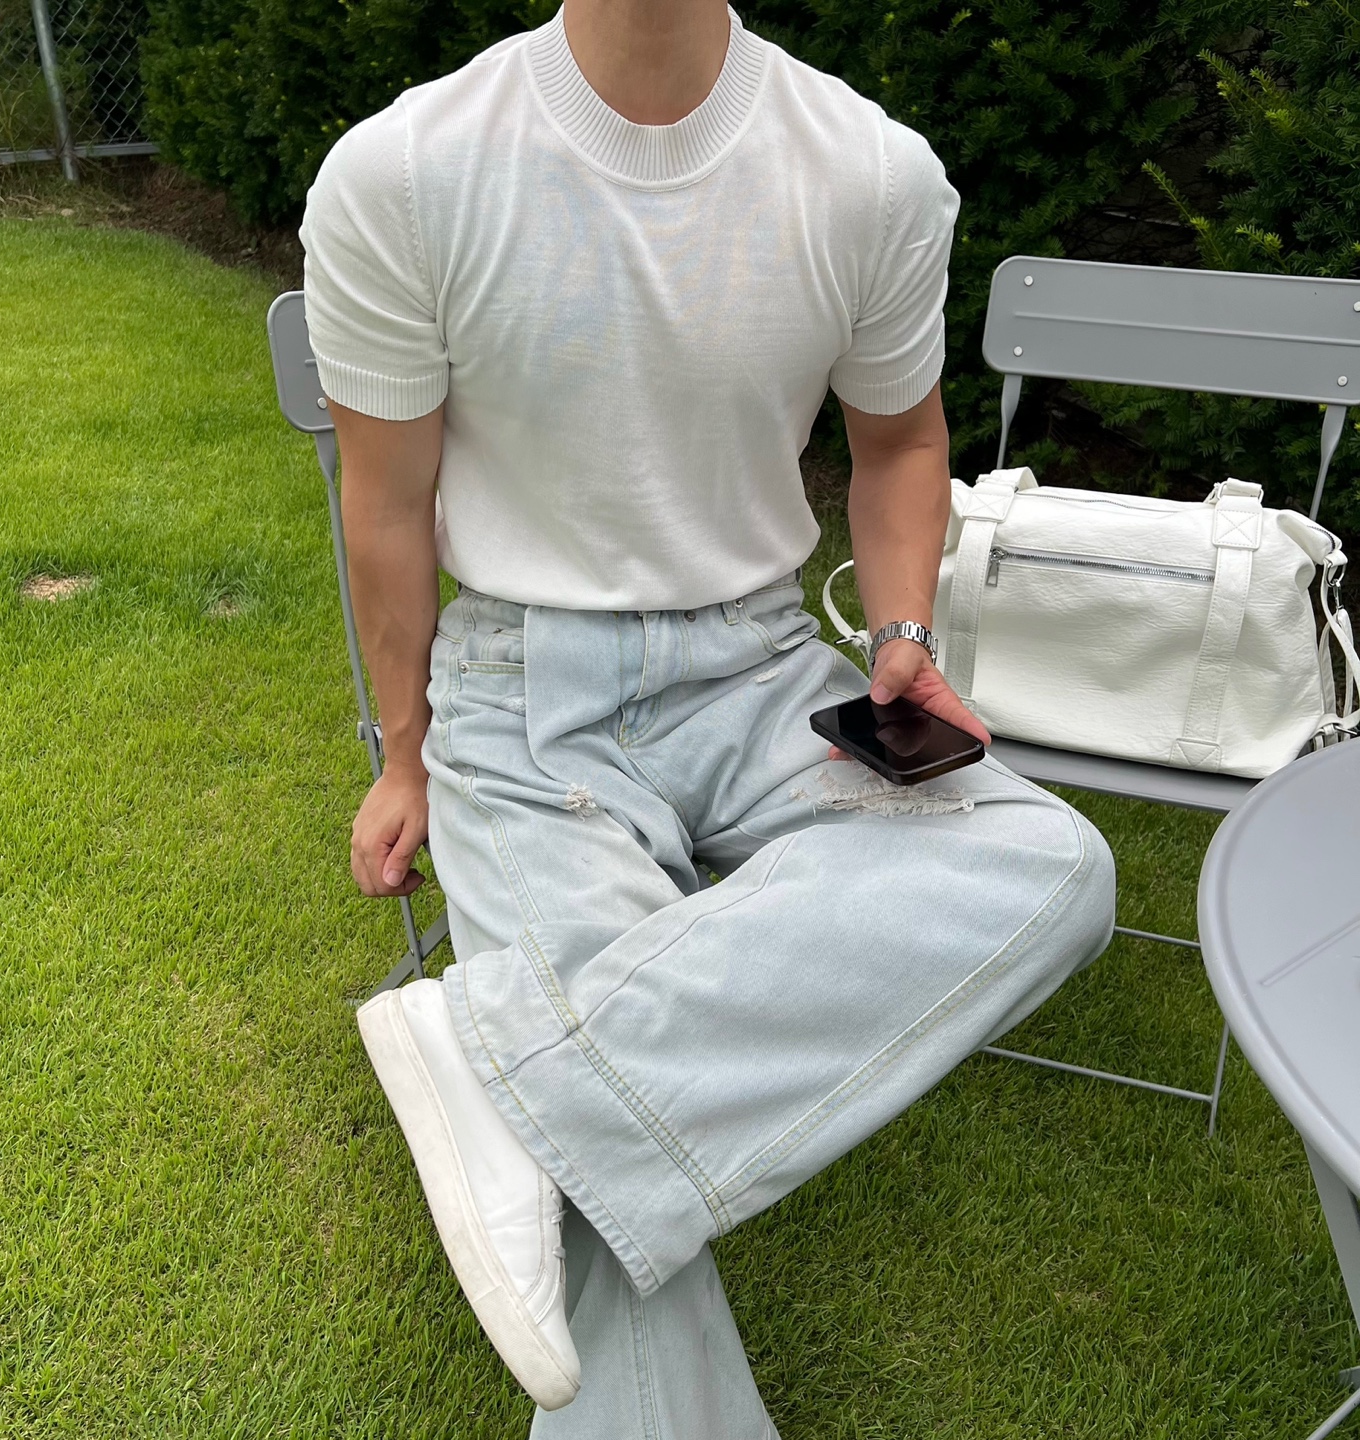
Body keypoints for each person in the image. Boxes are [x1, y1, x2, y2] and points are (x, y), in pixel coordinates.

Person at [298, 0, 1116, 1433]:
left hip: (762, 670)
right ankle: (555, 1087)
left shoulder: (868, 171)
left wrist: (904, 636)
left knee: (1052, 866)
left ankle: (507, 1072)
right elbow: (386, 506)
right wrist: (407, 755)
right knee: (616, 1173)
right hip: (523, 690)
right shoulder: (409, 170)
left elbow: (902, 443)